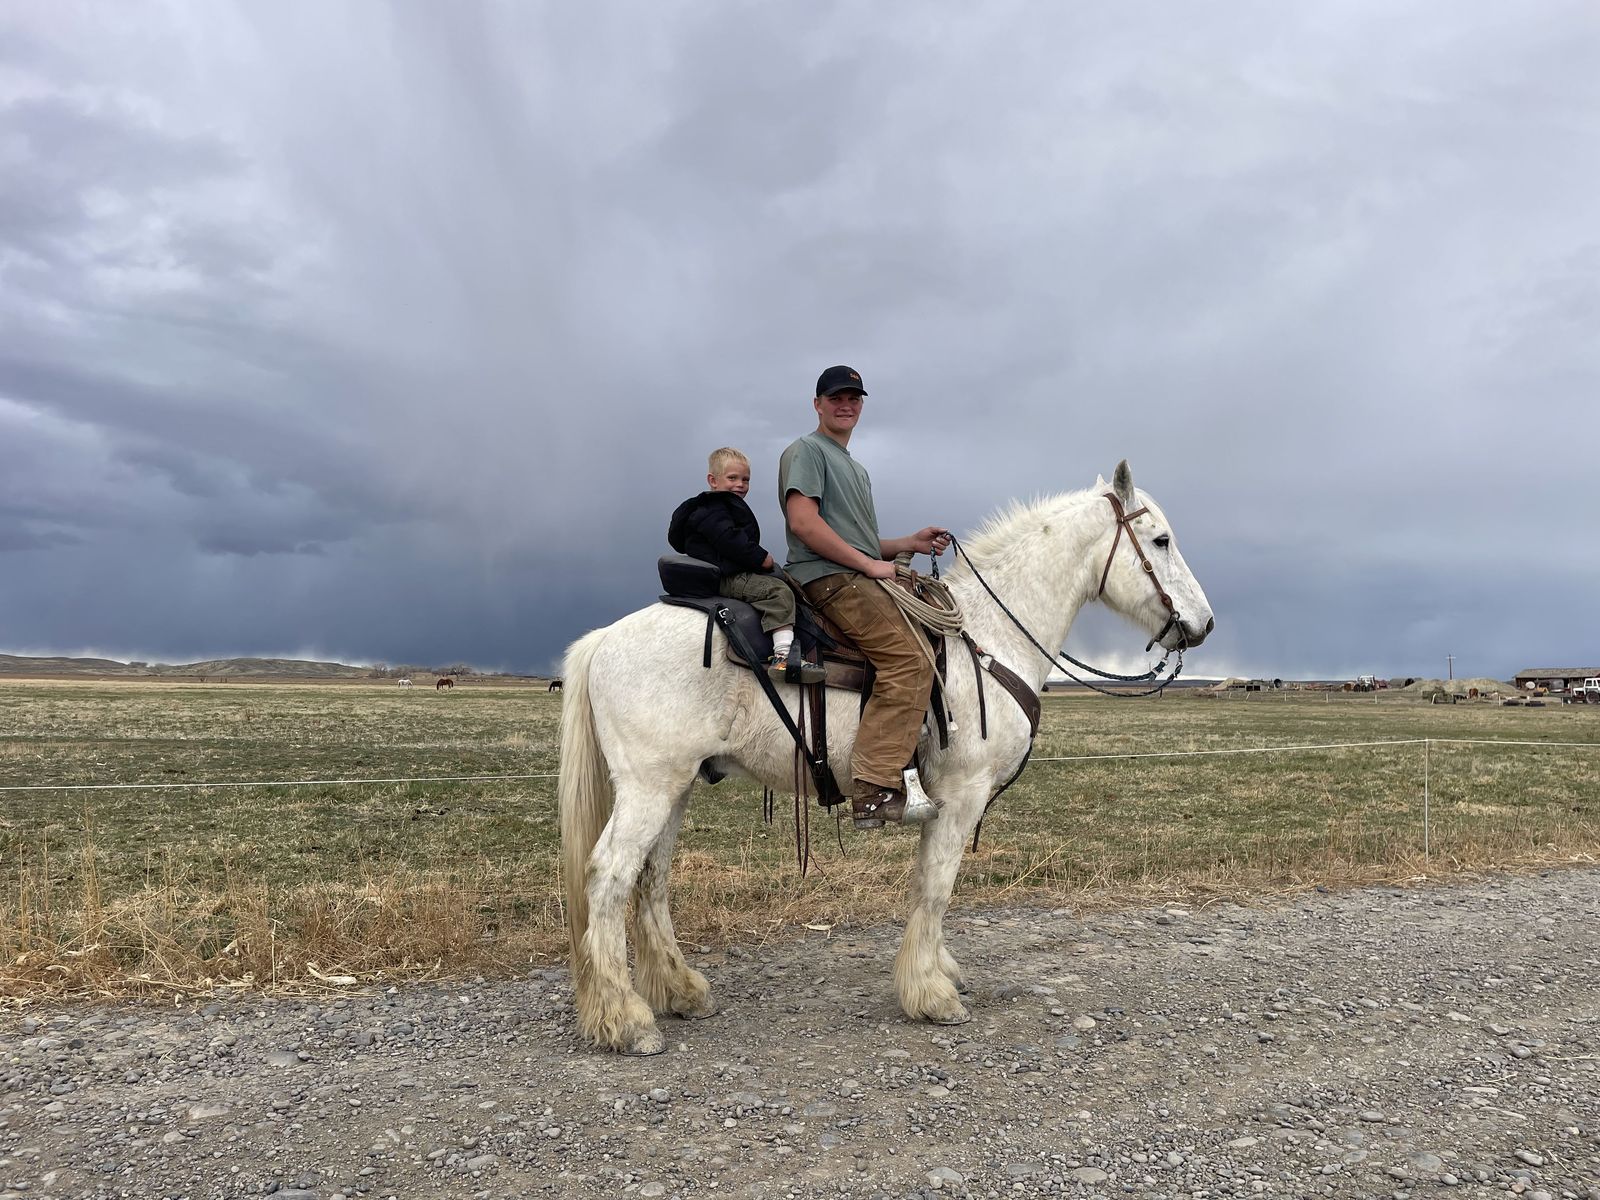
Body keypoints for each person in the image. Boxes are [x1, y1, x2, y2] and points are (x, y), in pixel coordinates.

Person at [778, 366, 952, 829]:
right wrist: (870, 566)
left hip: (852, 572)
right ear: (817, 404)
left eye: (854, 397)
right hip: (829, 578)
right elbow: (804, 524)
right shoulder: (807, 452)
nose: (846, 404)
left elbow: (860, 539)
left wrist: (907, 544)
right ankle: (874, 787)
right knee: (910, 659)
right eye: (836, 397)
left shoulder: (854, 467)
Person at [669, 447, 825, 685]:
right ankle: (783, 655)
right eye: (732, 478)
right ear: (713, 480)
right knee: (777, 592)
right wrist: (760, 558)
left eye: (745, 479)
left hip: (725, 571)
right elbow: (730, 540)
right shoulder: (715, 508)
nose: (740, 484)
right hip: (728, 575)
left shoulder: (714, 508)